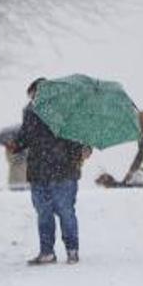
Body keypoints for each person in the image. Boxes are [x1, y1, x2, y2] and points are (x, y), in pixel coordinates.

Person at [8, 78, 88, 265]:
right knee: (49, 212)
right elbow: (26, 137)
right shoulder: (31, 112)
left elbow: (76, 135)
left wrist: (83, 150)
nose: (33, 99)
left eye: (33, 94)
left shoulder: (64, 109)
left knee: (61, 211)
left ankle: (69, 250)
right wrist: (16, 144)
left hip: (60, 170)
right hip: (43, 171)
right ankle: (52, 252)